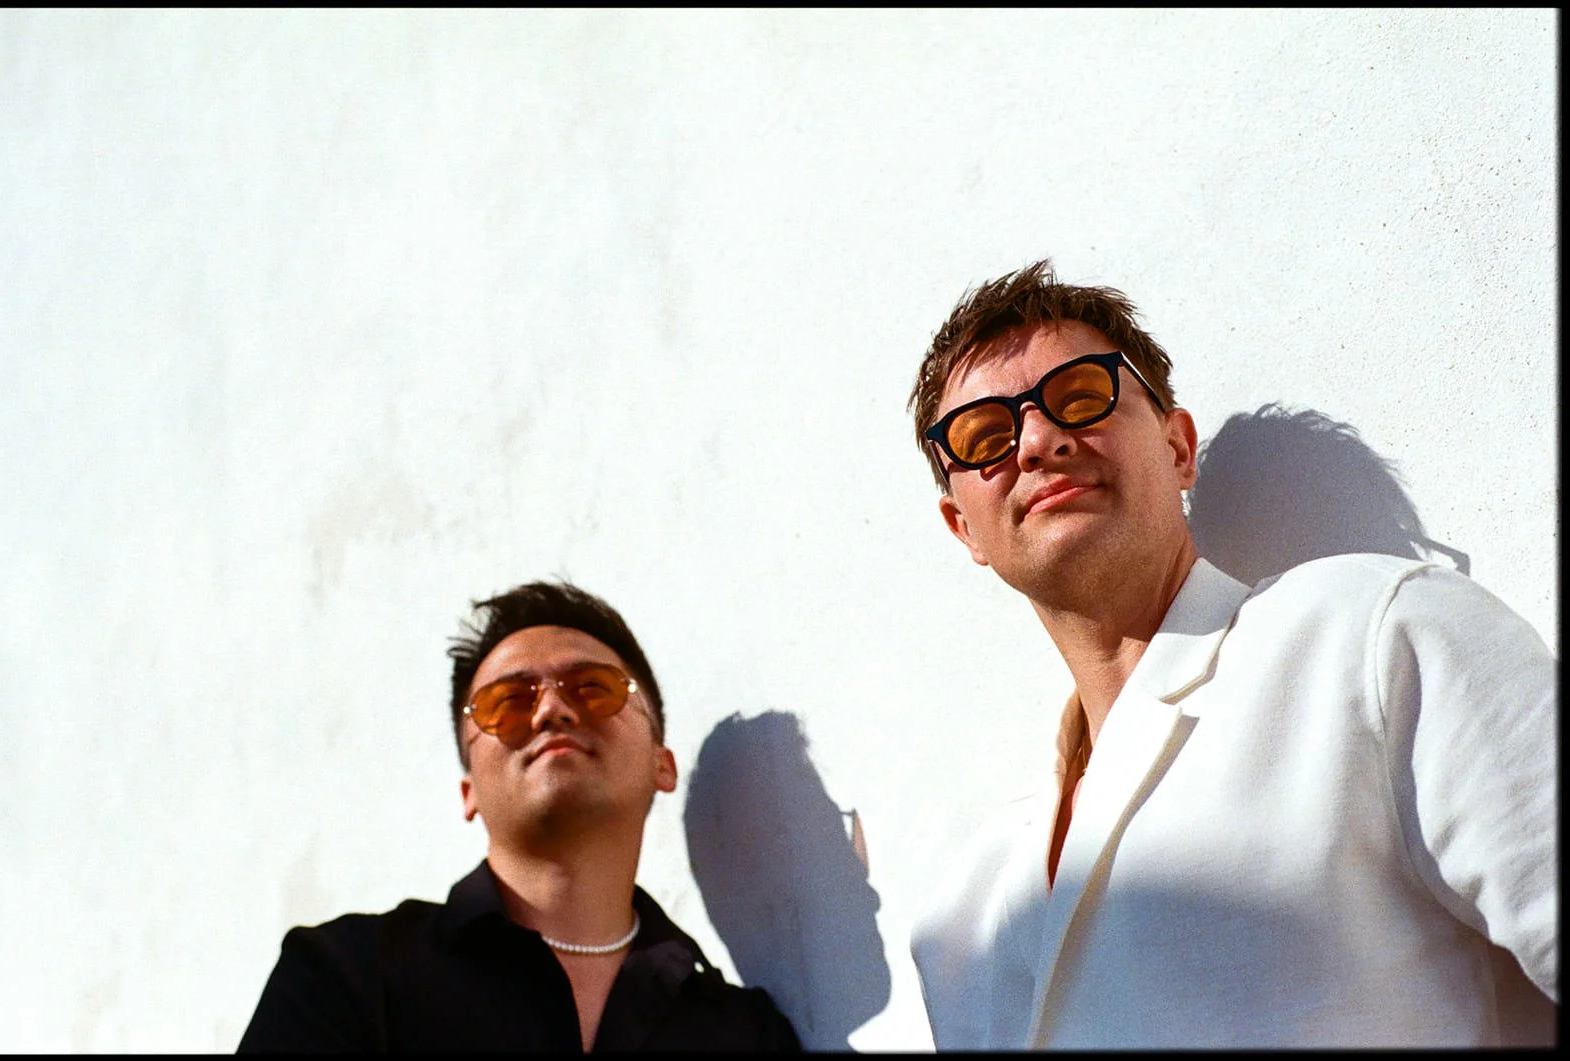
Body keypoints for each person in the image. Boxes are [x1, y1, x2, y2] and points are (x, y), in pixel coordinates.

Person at [903, 259, 1557, 1049]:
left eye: (1081, 395)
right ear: (963, 526)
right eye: (985, 437)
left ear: (1179, 446)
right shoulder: (962, 905)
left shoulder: (1371, 639)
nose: (1039, 439)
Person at [238, 580, 802, 1052]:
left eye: (592, 688)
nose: (552, 709)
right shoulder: (348, 975)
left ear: (662, 764)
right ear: (469, 791)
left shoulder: (747, 1035)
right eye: (507, 703)